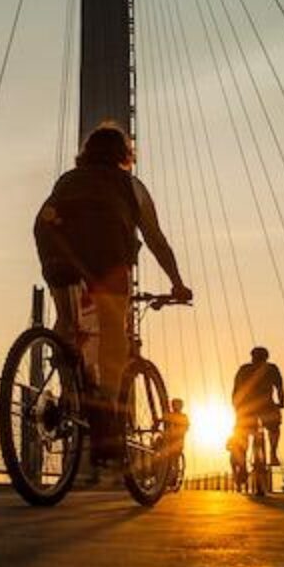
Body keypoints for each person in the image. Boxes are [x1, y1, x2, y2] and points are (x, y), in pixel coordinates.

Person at [33, 122, 192, 461]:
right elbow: (156, 241)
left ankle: (67, 389)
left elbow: (51, 215)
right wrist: (177, 283)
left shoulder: (67, 180)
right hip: (106, 250)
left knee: (66, 318)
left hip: (54, 243)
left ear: (86, 153)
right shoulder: (131, 186)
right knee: (112, 325)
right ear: (125, 155)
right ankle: (105, 409)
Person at [231, 346, 284, 468]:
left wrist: (236, 407)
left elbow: (236, 390)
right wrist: (281, 402)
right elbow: (280, 387)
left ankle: (242, 458)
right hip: (266, 406)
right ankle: (273, 453)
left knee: (242, 432)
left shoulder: (244, 369)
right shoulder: (272, 368)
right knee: (274, 427)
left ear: (252, 357)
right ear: (266, 357)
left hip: (246, 408)